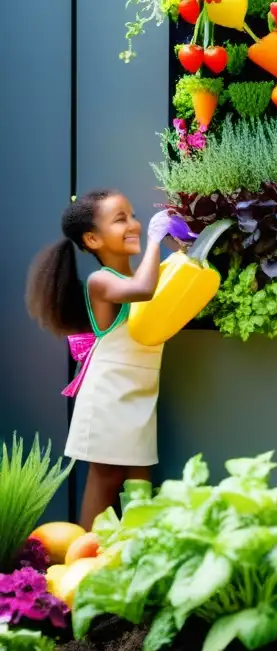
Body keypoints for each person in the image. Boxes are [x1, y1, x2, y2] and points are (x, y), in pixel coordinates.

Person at [26, 190, 182, 531]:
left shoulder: (139, 274)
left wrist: (180, 244)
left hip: (140, 389)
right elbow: (144, 290)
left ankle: (136, 549)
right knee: (106, 475)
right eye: (120, 219)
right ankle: (82, 560)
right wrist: (157, 242)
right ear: (92, 239)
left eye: (133, 215)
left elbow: (164, 284)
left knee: (140, 473)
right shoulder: (102, 281)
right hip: (109, 393)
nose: (135, 225)